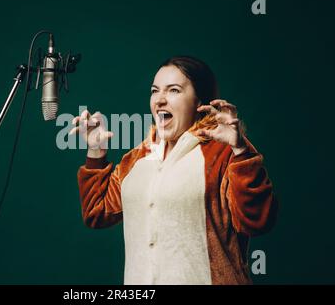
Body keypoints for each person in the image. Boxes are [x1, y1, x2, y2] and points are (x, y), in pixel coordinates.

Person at [69, 56, 278, 285]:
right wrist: (96, 151)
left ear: (200, 102)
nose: (160, 99)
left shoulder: (222, 155)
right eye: (155, 90)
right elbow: (96, 213)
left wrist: (240, 150)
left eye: (174, 91)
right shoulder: (137, 159)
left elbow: (257, 222)